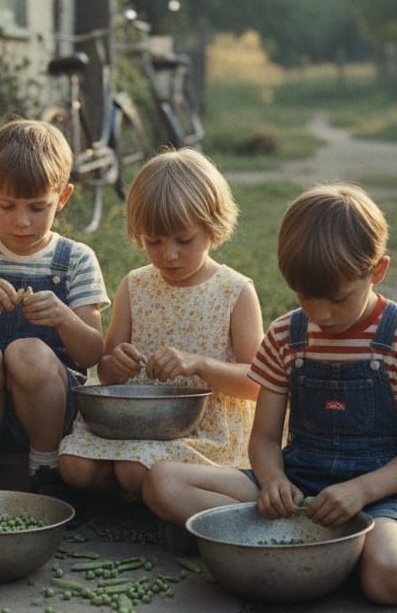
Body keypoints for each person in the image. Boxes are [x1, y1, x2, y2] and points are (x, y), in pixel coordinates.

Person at [143, 184, 397, 604]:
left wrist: (361, 492)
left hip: (378, 496)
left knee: (396, 579)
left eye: (337, 298)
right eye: (305, 296)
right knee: (163, 481)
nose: (320, 314)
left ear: (377, 271)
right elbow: (264, 438)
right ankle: (310, 545)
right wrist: (274, 480)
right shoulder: (286, 334)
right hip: (299, 486)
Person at [58, 149, 263, 498]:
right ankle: (148, 499)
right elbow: (107, 372)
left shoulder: (234, 291)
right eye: (154, 241)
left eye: (184, 240)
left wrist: (200, 364)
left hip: (203, 428)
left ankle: (166, 500)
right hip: (135, 421)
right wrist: (116, 363)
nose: (168, 254)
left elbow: (258, 384)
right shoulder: (135, 285)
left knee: (134, 468)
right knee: (72, 465)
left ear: (212, 227)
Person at [0, 120, 109, 496]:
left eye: (38, 207)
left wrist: (63, 317)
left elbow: (92, 353)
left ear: (63, 198)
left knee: (29, 352)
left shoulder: (75, 259)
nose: (22, 221)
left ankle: (47, 470)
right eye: (7, 206)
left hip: (54, 409)